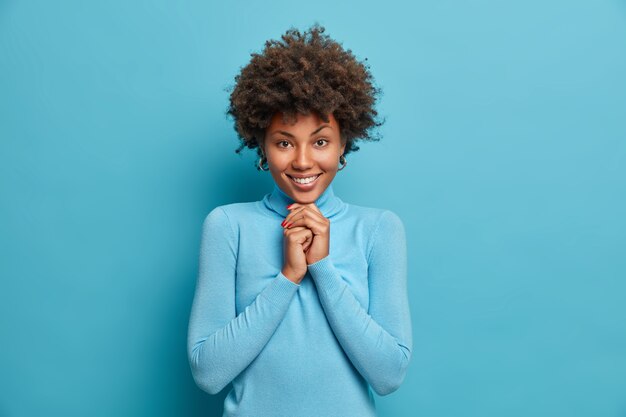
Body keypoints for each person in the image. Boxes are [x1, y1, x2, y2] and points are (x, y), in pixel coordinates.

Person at [187, 23, 412, 417]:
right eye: (284, 142)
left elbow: (388, 375)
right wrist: (288, 277)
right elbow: (208, 373)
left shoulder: (379, 229)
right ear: (262, 144)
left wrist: (322, 268)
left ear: (345, 143)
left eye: (321, 141)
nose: (304, 161)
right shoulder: (227, 226)